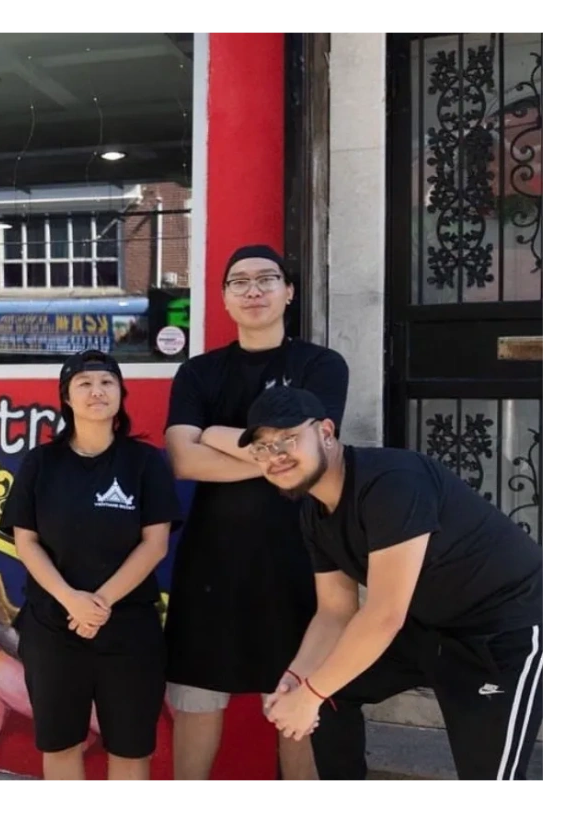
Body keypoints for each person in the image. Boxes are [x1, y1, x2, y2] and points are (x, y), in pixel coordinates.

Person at [244, 386, 547, 784]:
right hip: (429, 627)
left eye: (287, 438)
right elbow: (335, 611)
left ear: (326, 432)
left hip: (504, 629)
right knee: (334, 690)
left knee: (492, 780)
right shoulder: (314, 512)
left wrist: (310, 696)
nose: (276, 455)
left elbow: (385, 614)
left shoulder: (391, 481)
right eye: (262, 446)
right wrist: (298, 679)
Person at [162, 244, 349, 783]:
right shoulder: (199, 373)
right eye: (238, 281)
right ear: (222, 297)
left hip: (302, 558)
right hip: (209, 563)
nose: (253, 290)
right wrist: (276, 455)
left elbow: (312, 456)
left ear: (289, 292)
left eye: (267, 279)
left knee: (296, 704)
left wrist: (219, 437)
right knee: (197, 699)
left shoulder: (320, 365)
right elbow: (181, 458)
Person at [0, 349, 184, 783]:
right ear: (66, 397)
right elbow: (26, 541)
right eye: (84, 384)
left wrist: (98, 603)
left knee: (131, 747)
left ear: (121, 394)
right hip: (52, 628)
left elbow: (155, 545)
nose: (96, 392)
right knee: (60, 744)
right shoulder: (41, 462)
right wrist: (70, 601)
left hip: (129, 628)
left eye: (107, 383)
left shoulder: (144, 462)